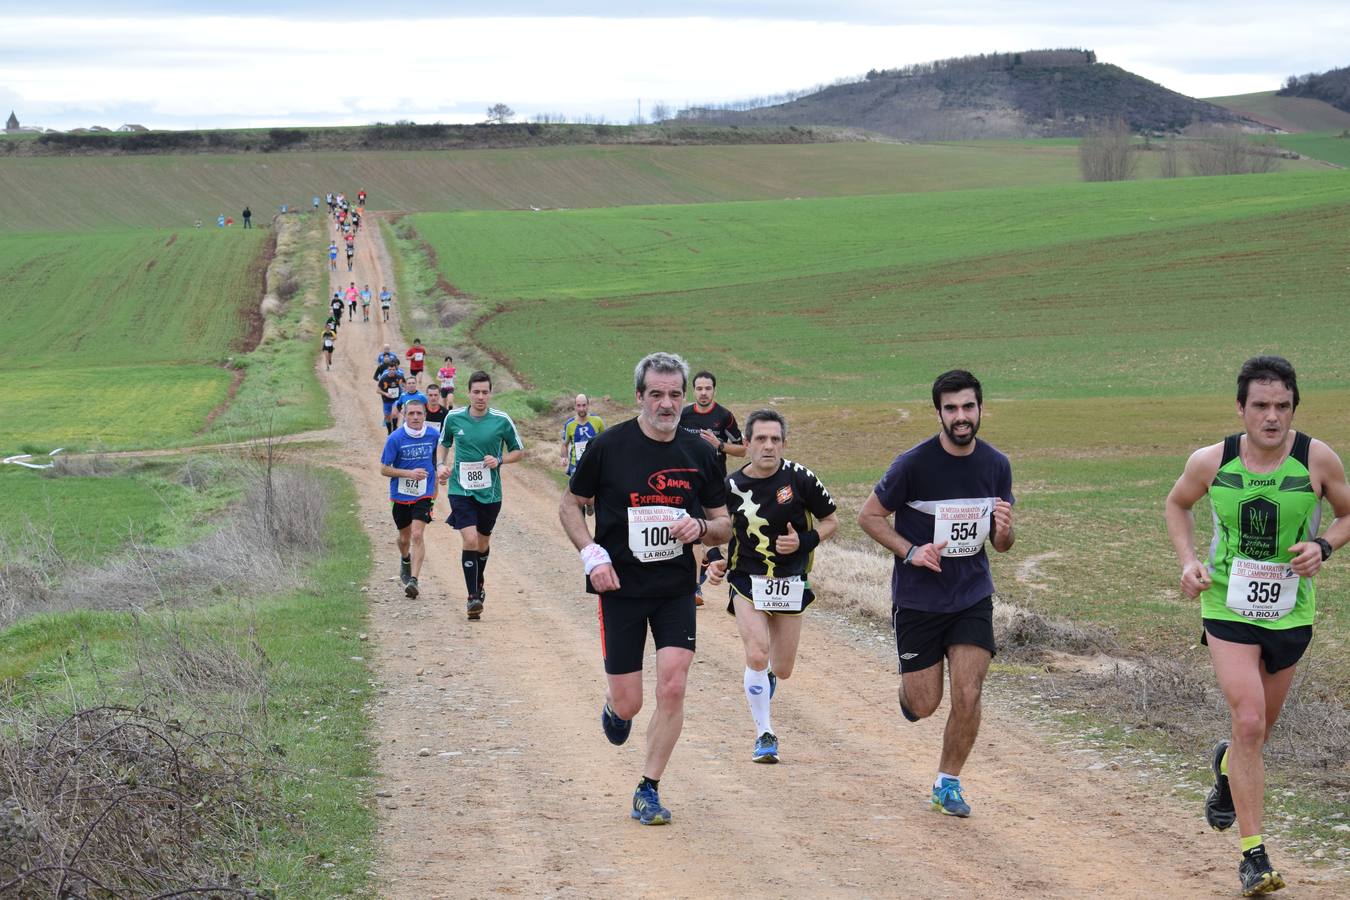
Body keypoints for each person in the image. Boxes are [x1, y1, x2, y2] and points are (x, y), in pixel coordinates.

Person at [1164, 355, 1348, 897]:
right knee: (1247, 722)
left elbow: (1346, 514)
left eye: (1283, 406)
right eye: (1261, 406)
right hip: (1227, 607)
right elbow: (1177, 505)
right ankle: (1254, 856)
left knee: (1256, 732)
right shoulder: (1211, 461)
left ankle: (1225, 766)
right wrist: (1187, 561)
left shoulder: (1317, 458)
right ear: (1241, 408)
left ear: (1294, 408)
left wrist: (1323, 546)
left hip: (1291, 612)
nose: (1272, 417)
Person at [558, 352, 731, 826]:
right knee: (631, 702)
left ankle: (648, 788)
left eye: (675, 393)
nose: (667, 403)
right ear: (639, 396)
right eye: (656, 393)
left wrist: (700, 527)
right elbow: (570, 506)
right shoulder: (610, 446)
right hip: (621, 589)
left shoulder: (700, 453)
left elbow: (724, 524)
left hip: (676, 588)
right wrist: (592, 556)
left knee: (673, 684)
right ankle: (617, 708)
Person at [857, 369, 1014, 819]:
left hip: (971, 594)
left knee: (969, 692)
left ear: (981, 408)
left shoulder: (996, 465)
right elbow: (869, 517)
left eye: (968, 407)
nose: (961, 417)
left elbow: (1001, 545)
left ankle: (948, 783)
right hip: (918, 599)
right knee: (926, 703)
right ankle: (911, 696)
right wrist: (911, 552)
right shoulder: (913, 464)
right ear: (939, 413)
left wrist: (1005, 532)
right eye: (951, 409)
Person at [704, 409, 838, 764]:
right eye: (760, 439)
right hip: (747, 578)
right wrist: (715, 560)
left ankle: (764, 683)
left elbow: (831, 521)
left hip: (790, 580)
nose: (768, 446)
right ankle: (765, 733)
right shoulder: (730, 486)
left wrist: (804, 542)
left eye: (775, 439)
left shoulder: (801, 478)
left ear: (784, 443)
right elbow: (716, 530)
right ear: (746, 443)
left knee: (783, 667)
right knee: (757, 653)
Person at [435, 372, 525, 620]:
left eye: (485, 392)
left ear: (490, 393)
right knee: (471, 540)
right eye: (476, 392)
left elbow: (518, 452)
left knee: (483, 543)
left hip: (491, 492)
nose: (481, 397)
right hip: (460, 490)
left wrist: (499, 460)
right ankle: (472, 597)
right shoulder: (454, 418)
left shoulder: (501, 420)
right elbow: (443, 443)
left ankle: (479, 582)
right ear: (469, 392)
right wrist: (440, 465)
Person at [380, 393, 439, 599]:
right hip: (400, 495)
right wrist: (408, 473)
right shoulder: (395, 438)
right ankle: (405, 558)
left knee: (417, 535)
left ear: (425, 415)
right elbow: (384, 469)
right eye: (411, 413)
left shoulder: (433, 436)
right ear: (404, 415)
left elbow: (438, 461)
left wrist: (441, 474)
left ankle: (413, 580)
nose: (415, 417)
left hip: (424, 494)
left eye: (419, 414)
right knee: (404, 539)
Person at [377, 363, 405, 434]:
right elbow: (378, 390)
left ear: (396, 370)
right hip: (386, 400)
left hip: (396, 399)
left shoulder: (400, 377)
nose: (392, 371)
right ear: (387, 370)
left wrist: (404, 391)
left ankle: (395, 428)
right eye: (390, 369)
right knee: (387, 417)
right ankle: (389, 431)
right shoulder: (384, 378)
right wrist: (386, 394)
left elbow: (405, 385)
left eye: (393, 369)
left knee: (395, 414)